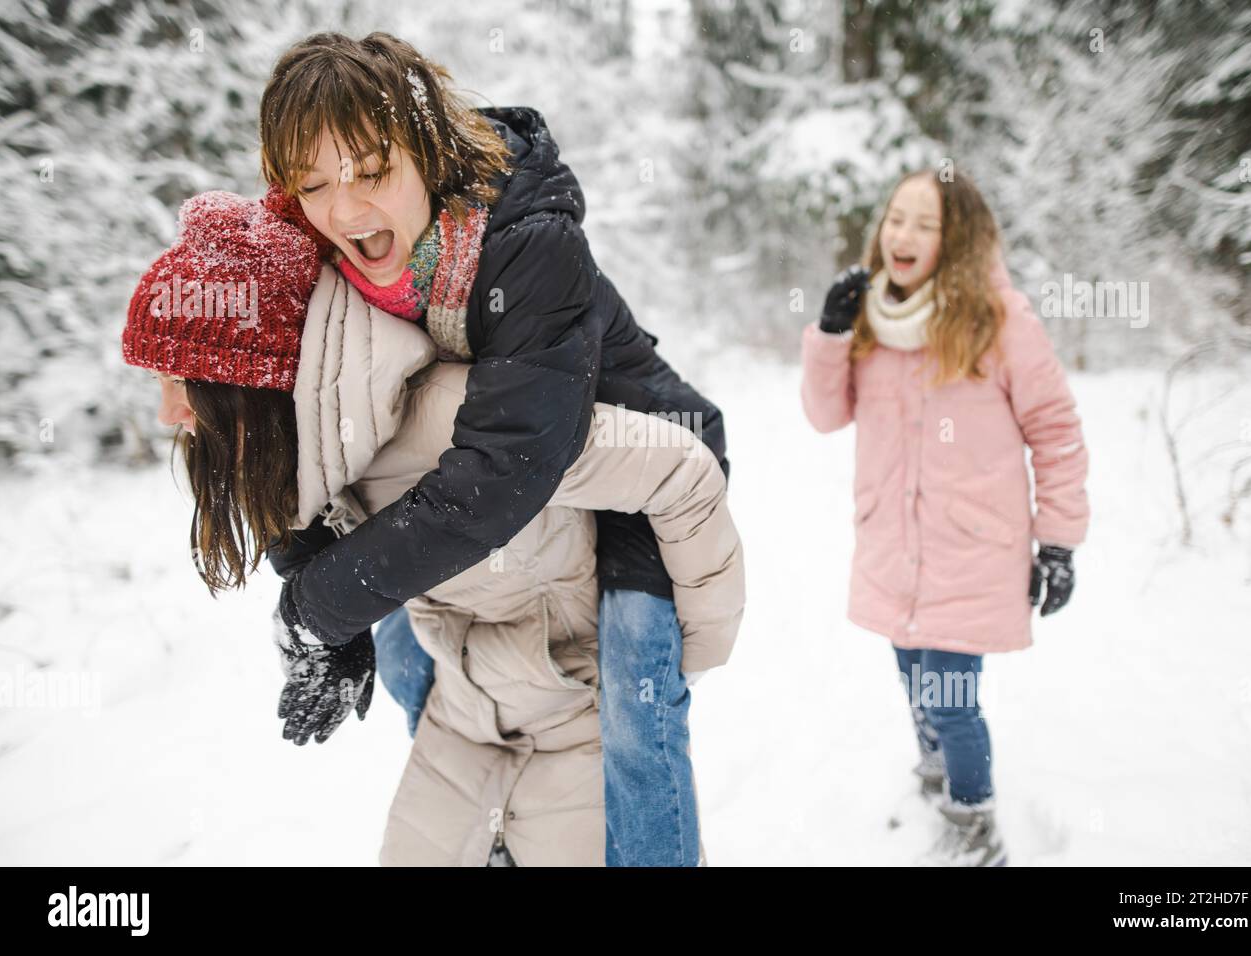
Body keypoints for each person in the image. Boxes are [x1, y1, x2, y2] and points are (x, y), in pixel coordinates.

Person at [120, 190, 745, 866]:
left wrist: (683, 656)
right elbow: (301, 521)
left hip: (584, 733)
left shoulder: (454, 426)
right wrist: (337, 624)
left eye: (180, 383)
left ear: (249, 380)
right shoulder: (313, 455)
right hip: (457, 733)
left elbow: (681, 467)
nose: (166, 415)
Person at [256, 30, 726, 866]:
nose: (346, 207)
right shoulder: (332, 259)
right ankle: (499, 824)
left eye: (371, 169)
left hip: (642, 480)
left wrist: (318, 607)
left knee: (633, 714)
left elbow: (503, 472)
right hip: (541, 477)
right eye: (315, 183)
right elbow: (276, 405)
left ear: (426, 148)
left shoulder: (526, 243)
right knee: (418, 667)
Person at [799, 169, 1090, 866]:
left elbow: (1055, 430)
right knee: (912, 680)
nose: (901, 235)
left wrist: (1058, 542)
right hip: (892, 547)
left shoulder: (1000, 319)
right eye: (895, 218)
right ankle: (933, 775)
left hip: (973, 548)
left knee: (951, 696)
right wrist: (831, 332)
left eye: (924, 224)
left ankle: (973, 825)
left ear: (955, 239)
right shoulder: (869, 314)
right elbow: (825, 414)